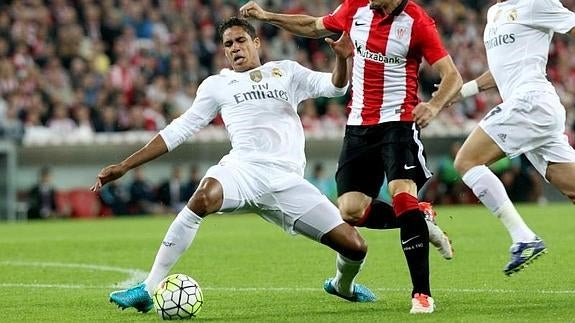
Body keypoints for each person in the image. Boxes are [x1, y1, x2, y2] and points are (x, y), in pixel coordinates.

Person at [90, 17, 376, 314]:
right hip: (242, 171)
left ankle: (343, 286)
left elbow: (335, 87)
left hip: (287, 180)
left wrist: (342, 60)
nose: (235, 48)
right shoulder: (217, 85)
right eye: (228, 44)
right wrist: (125, 165)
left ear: (256, 42)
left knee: (356, 247)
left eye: (240, 41)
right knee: (202, 197)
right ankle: (148, 289)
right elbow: (179, 130)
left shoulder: (286, 72)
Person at [240, 0, 462, 313]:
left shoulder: (417, 22)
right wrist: (267, 16)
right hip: (359, 125)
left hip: (398, 122)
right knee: (351, 212)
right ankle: (420, 222)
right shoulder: (357, 7)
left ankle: (421, 295)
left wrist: (434, 105)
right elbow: (314, 26)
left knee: (402, 197)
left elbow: (452, 76)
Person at [448, 0, 575, 276]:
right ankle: (524, 239)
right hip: (532, 110)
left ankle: (524, 238)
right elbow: (500, 71)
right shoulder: (494, 12)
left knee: (466, 161)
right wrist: (462, 91)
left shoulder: (536, 3)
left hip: (531, 102)